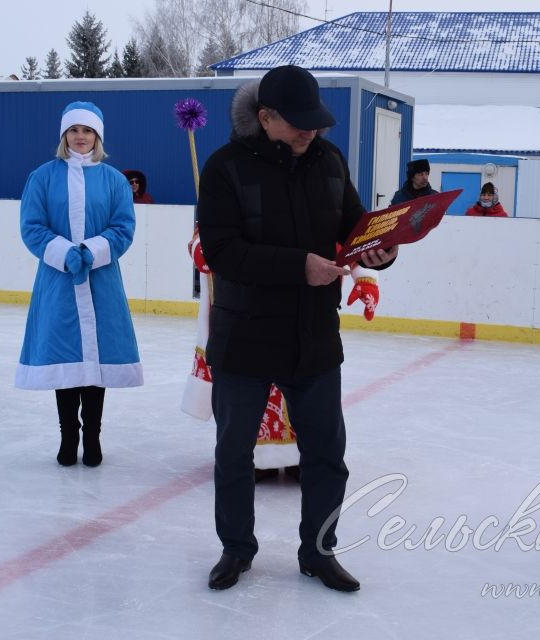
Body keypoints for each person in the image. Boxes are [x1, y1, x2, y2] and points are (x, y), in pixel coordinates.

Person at [196, 65, 397, 592]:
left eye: (315, 121)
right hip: (244, 336)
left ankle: (319, 551)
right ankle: (237, 549)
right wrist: (297, 267)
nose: (310, 131)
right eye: (297, 122)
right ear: (265, 118)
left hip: (313, 335)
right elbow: (221, 252)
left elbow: (354, 228)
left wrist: (379, 250)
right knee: (235, 454)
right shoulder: (225, 168)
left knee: (327, 455)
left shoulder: (329, 160)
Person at [181, 228, 382, 484]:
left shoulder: (319, 192)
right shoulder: (234, 192)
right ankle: (258, 456)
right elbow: (206, 238)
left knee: (305, 392)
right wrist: (211, 250)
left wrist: (365, 275)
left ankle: (302, 456)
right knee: (255, 394)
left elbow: (346, 234)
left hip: (306, 314)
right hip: (250, 315)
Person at [15, 101, 143, 467]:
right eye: (74, 130)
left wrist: (92, 250)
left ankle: (93, 436)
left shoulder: (115, 180)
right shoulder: (41, 177)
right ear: (64, 135)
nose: (81, 137)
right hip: (58, 281)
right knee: (66, 360)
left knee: (96, 362)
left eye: (87, 131)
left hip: (101, 280)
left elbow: (123, 227)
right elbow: (32, 226)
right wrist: (62, 252)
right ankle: (68, 436)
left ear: (97, 136)